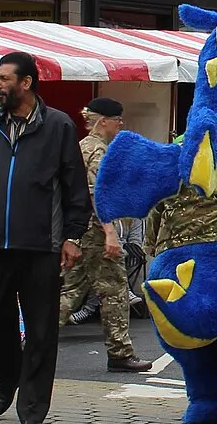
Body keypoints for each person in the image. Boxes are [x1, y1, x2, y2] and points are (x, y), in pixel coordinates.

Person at [0, 52, 89, 424]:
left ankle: (32, 409)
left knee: (42, 330)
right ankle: (7, 379)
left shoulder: (58, 126)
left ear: (25, 83)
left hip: (41, 246)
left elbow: (75, 188)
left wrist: (73, 236)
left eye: (4, 79)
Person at [60, 97, 151, 372]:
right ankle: (120, 353)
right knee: (114, 292)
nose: (121, 124)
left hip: (79, 233)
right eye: (117, 120)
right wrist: (110, 233)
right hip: (96, 233)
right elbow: (96, 194)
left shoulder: (81, 147)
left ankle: (31, 341)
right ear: (103, 122)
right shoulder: (99, 152)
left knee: (70, 290)